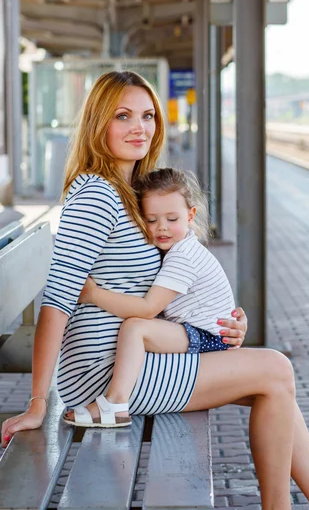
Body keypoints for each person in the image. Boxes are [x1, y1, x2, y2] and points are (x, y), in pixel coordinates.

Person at [1, 71, 309, 510]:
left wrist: (224, 322)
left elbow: (163, 290)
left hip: (136, 356)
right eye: (123, 115)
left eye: (147, 115)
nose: (139, 127)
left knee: (272, 379)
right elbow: (57, 303)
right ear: (98, 122)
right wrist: (39, 404)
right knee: (274, 371)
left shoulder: (131, 192)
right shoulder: (96, 197)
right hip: (107, 377)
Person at [71, 167, 236, 428]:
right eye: (151, 220)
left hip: (208, 336)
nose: (162, 228)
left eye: (172, 219)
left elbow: (148, 308)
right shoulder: (178, 248)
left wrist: (94, 294)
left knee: (136, 327)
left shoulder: (183, 256)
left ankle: (115, 402)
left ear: (191, 215)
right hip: (199, 331)